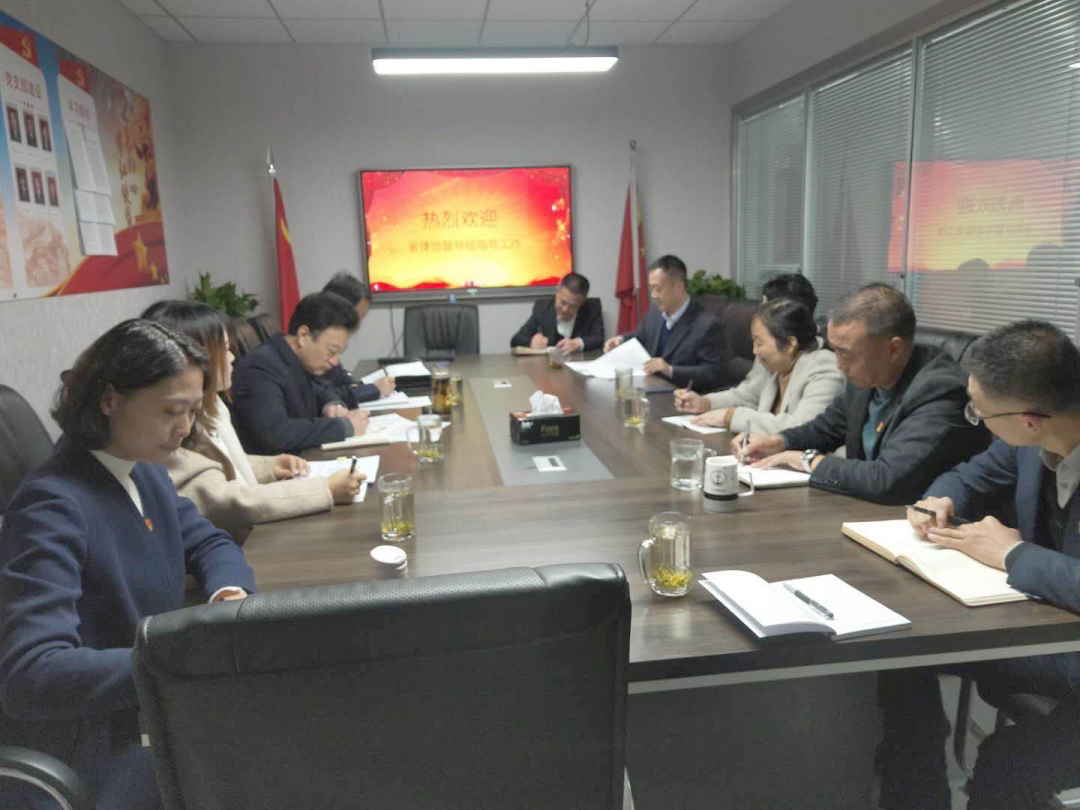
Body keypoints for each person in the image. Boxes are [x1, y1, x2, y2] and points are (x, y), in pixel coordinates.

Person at [0, 320, 256, 810]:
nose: (185, 428)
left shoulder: (144, 474)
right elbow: (32, 673)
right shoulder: (52, 505)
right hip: (98, 746)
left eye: (192, 411)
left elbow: (210, 542)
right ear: (109, 401)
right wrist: (178, 656)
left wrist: (229, 595)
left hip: (150, 713)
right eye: (171, 411)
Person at [877, 320, 1080, 809]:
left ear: (1029, 420)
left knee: (1004, 760)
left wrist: (1012, 553)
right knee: (898, 657)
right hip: (1044, 621)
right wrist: (938, 499)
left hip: (1069, 649)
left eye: (979, 411)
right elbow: (968, 475)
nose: (975, 419)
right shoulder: (1032, 440)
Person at [737, 283, 988, 505]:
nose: (838, 364)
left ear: (893, 349)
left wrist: (808, 460)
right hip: (863, 511)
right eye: (835, 350)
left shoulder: (940, 391)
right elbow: (827, 427)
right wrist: (778, 441)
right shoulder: (867, 375)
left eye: (846, 353)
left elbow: (888, 479)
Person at [143, 301, 365, 543]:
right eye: (225, 349)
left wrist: (270, 466)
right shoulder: (173, 428)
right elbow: (228, 499)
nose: (232, 359)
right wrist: (325, 489)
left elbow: (222, 460)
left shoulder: (212, 403)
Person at [672, 298, 844, 433]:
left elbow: (802, 427)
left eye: (759, 343)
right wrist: (704, 402)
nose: (754, 351)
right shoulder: (779, 366)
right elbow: (743, 396)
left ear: (790, 344)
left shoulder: (824, 368)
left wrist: (730, 417)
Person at [231, 291, 369, 455]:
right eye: (332, 351)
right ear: (303, 335)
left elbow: (321, 390)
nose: (335, 362)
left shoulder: (294, 358)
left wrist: (332, 405)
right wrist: (343, 427)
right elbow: (277, 432)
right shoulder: (260, 367)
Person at [602, 254, 736, 390]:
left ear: (678, 286)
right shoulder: (655, 313)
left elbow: (713, 373)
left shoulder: (707, 325)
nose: (653, 295)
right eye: (651, 289)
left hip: (683, 395)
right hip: (652, 388)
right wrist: (621, 339)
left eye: (658, 289)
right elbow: (642, 336)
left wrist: (670, 370)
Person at [312, 273, 395, 409]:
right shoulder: (314, 341)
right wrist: (373, 389)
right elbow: (323, 395)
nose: (357, 325)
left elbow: (338, 374)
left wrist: (354, 385)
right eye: (357, 316)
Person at [510, 272, 604, 354]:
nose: (565, 309)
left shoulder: (592, 308)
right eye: (562, 302)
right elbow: (516, 340)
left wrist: (578, 343)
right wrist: (531, 343)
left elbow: (599, 338)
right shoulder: (542, 308)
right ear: (557, 292)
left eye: (573, 306)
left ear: (582, 302)